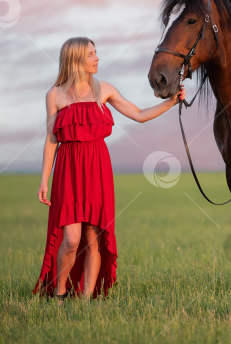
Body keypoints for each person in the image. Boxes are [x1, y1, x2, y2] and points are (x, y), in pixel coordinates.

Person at [32, 36, 184, 303]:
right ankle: (60, 293)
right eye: (91, 54)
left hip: (97, 167)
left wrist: (170, 103)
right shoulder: (54, 95)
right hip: (68, 170)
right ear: (76, 59)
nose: (97, 58)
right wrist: (44, 179)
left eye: (96, 53)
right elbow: (51, 139)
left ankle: (86, 299)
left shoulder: (104, 89)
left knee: (93, 236)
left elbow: (138, 114)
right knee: (71, 238)